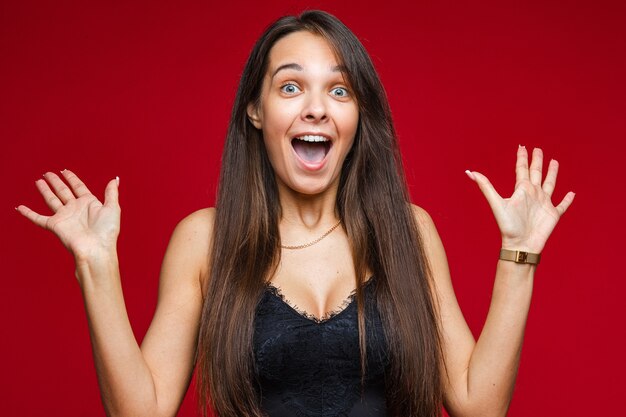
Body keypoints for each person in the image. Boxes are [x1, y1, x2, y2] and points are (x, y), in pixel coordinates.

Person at [15, 10, 574, 417]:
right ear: (256, 111)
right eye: (290, 86)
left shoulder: (409, 230)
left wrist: (518, 256)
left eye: (340, 90)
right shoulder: (205, 239)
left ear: (358, 116)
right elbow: (143, 410)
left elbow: (479, 404)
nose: (315, 107)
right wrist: (96, 266)